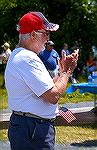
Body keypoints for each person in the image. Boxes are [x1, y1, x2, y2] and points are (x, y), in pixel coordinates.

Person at [5, 11, 79, 150]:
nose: (48, 39)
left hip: (28, 126)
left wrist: (61, 72)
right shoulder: (28, 58)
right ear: (33, 35)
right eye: (46, 34)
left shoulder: (20, 55)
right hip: (33, 128)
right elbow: (53, 96)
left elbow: (48, 87)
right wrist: (67, 72)